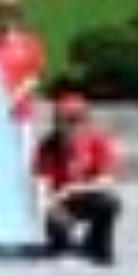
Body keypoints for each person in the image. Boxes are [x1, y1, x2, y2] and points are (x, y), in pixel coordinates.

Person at [34, 93, 122, 266]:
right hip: (58, 203)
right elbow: (41, 184)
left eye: (76, 120)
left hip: (84, 197)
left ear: (85, 121)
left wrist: (72, 189)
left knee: (110, 203)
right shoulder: (47, 145)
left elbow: (107, 181)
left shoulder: (97, 141)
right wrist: (48, 208)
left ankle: (97, 245)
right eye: (63, 120)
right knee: (59, 244)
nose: (71, 126)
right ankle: (63, 243)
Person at [0, 0, 46, 123]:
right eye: (1, 12)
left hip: (21, 115)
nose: (6, 17)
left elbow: (35, 76)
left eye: (11, 12)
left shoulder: (31, 42)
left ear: (19, 15)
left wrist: (12, 99)